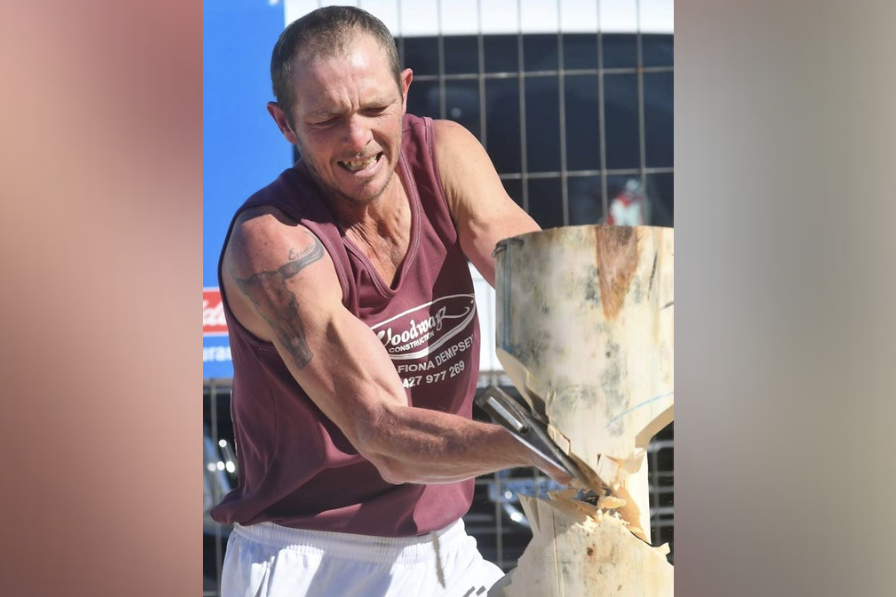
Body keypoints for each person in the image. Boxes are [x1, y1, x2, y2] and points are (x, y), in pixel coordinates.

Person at [212, 6, 570, 596]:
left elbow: (539, 283)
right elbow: (383, 436)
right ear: (284, 124)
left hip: (445, 548)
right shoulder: (272, 243)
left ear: (405, 90)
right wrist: (549, 445)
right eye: (326, 119)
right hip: (317, 562)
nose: (359, 139)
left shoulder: (445, 155)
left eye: (375, 109)